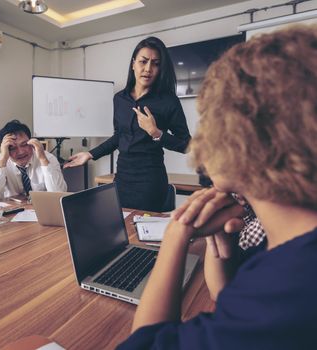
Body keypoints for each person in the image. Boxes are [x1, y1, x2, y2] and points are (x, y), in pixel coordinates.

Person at [117, 25, 317, 349]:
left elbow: (145, 344)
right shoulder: (286, 249)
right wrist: (218, 241)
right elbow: (229, 301)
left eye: (209, 119)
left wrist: (176, 235)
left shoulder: (292, 286)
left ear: (246, 138)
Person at [64, 36, 191, 211]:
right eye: (143, 61)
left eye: (155, 63)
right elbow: (119, 137)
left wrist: (156, 133)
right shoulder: (120, 99)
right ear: (133, 64)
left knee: (142, 234)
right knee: (120, 229)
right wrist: (90, 154)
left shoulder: (168, 101)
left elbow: (187, 145)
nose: (148, 69)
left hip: (150, 182)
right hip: (122, 179)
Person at [0, 119, 67, 200]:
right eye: (12, 148)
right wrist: (3, 160)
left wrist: (43, 160)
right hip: (11, 211)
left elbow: (59, 195)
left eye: (24, 144)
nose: (21, 152)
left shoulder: (47, 158)